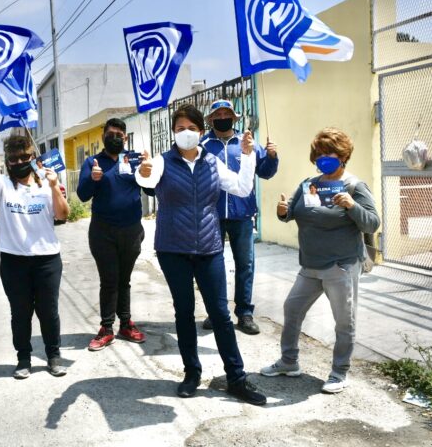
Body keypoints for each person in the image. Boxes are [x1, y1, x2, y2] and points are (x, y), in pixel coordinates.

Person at [135, 104, 266, 405]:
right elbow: (148, 180)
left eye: (191, 128)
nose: (186, 133)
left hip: (209, 248)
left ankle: (236, 377)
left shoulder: (211, 162)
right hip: (173, 249)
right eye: (180, 128)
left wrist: (248, 156)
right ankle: (191, 373)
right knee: (184, 312)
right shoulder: (163, 161)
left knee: (220, 313)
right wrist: (142, 172)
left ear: (201, 131)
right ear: (173, 133)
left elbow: (243, 189)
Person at [261, 128, 380, 394]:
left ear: (343, 156)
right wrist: (282, 212)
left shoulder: (354, 186)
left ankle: (339, 372)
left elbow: (373, 222)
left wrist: (352, 206)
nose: (325, 158)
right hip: (310, 265)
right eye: (321, 154)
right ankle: (289, 362)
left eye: (331, 154)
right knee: (292, 309)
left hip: (340, 266)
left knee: (344, 322)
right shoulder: (310, 184)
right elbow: (292, 213)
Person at [0, 134, 70, 379]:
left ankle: (53, 355)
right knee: (20, 312)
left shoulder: (47, 181)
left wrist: (55, 187)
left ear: (33, 157)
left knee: (48, 311)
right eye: (14, 158)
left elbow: (63, 215)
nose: (20, 161)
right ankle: (23, 358)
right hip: (14, 262)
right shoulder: (3, 185)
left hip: (47, 260)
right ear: (8, 162)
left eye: (25, 156)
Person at [201, 99, 278, 335]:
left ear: (234, 118)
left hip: (242, 214)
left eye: (227, 113)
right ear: (211, 119)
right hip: (211, 215)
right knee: (213, 265)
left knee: (245, 264)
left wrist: (272, 156)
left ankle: (244, 313)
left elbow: (265, 173)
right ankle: (216, 311)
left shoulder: (248, 144)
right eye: (217, 114)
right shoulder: (203, 146)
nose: (222, 117)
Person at [77, 118, 151, 352]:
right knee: (109, 279)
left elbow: (151, 189)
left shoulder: (134, 160)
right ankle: (107, 328)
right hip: (103, 232)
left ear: (126, 137)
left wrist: (147, 172)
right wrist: (93, 179)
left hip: (131, 230)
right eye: (111, 133)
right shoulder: (93, 162)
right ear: (103, 136)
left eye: (119, 134)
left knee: (124, 280)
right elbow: (82, 195)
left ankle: (126, 324)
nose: (115, 137)